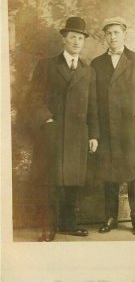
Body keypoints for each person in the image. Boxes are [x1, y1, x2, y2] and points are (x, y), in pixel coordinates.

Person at [28, 17, 99, 241]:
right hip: (53, 133)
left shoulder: (88, 72)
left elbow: (93, 106)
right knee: (51, 181)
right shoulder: (47, 65)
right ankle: (48, 227)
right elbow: (33, 98)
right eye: (72, 37)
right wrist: (47, 120)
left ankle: (68, 224)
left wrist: (94, 134)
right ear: (64, 39)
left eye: (80, 38)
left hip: (78, 135)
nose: (77, 41)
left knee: (73, 181)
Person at [91, 17, 135, 235]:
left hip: (132, 129)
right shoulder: (97, 64)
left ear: (125, 34)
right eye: (108, 33)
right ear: (104, 37)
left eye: (116, 32)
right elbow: (93, 100)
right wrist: (95, 132)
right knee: (109, 174)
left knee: (133, 174)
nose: (112, 37)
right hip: (107, 129)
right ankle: (110, 218)